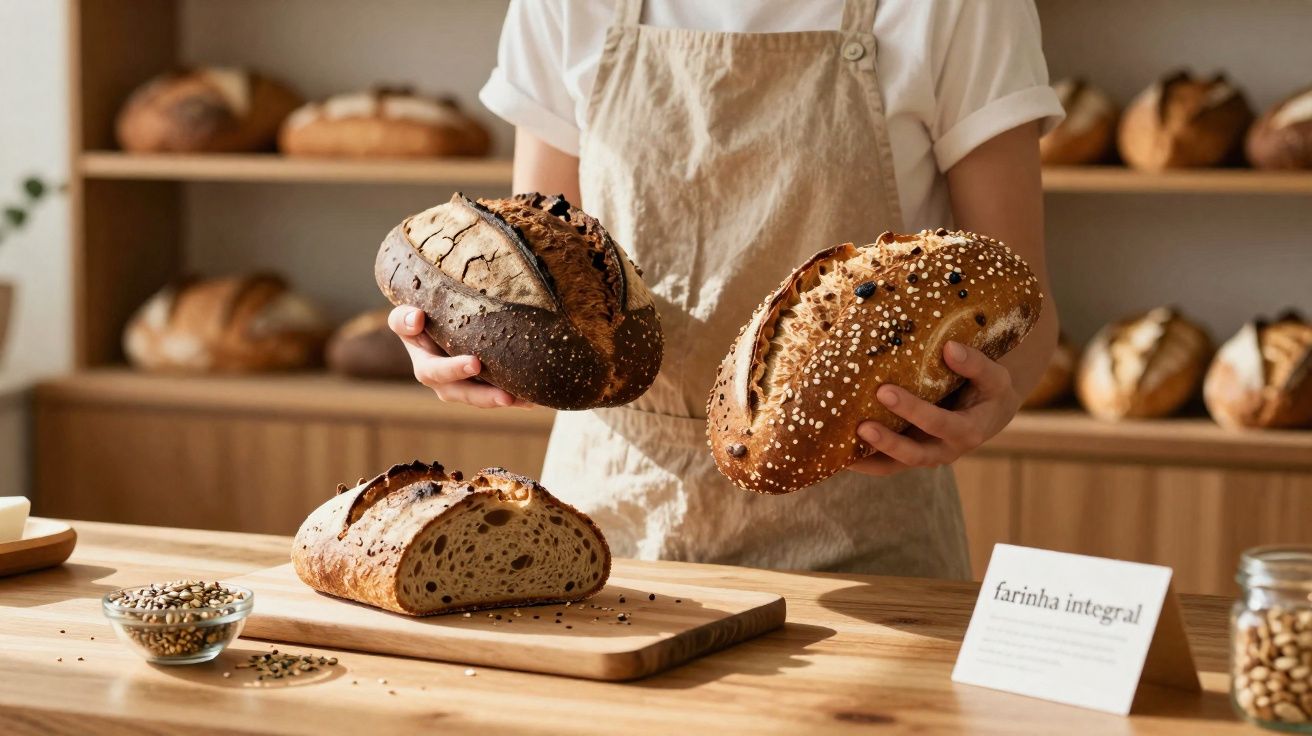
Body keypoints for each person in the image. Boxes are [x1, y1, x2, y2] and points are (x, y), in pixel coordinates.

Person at [390, 0, 1062, 578]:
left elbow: (1022, 302)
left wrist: (980, 408)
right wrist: (467, 342)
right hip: (607, 531)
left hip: (865, 540)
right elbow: (537, 268)